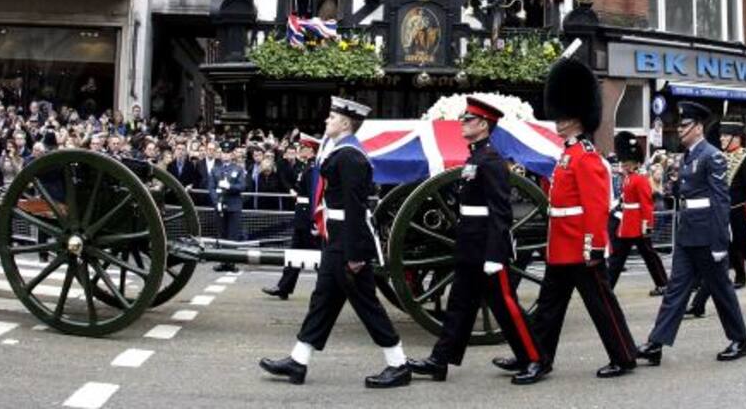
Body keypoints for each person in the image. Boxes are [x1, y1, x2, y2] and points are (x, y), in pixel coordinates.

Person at [493, 60, 636, 381]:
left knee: (601, 306)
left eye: (566, 116)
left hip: (581, 248)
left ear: (579, 119)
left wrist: (594, 246)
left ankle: (624, 356)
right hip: (561, 245)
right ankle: (537, 358)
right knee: (548, 308)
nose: (559, 122)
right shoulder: (568, 154)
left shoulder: (586, 157)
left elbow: (597, 207)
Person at [260, 97, 411, 389]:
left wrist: (356, 254)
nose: (326, 121)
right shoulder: (340, 153)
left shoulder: (351, 157)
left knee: (367, 305)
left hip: (347, 242)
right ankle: (298, 361)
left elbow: (355, 208)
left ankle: (398, 364)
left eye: (331, 117)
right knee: (323, 302)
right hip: (338, 238)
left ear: (345, 123)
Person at [408, 97, 544, 384]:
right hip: (470, 245)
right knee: (459, 305)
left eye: (468, 119)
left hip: (487, 247)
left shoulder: (491, 160)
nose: (462, 123)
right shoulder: (476, 157)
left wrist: (495, 255)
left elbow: (500, 212)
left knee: (506, 305)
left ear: (483, 125)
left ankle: (534, 359)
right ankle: (440, 360)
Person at [636, 101, 746, 366]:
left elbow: (721, 201)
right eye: (680, 124)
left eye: (685, 125)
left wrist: (721, 241)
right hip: (688, 233)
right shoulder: (687, 156)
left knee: (721, 289)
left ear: (698, 128)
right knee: (676, 289)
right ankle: (656, 343)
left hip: (708, 235)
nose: (680, 129)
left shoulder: (713, 156)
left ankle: (740, 340)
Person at [687, 117, 746, 316]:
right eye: (721, 135)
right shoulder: (721, 158)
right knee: (717, 263)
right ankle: (699, 304)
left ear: (736, 138)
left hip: (742, 217)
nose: (721, 139)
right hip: (724, 217)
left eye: (725, 135)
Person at [606, 132, 668, 296]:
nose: (624, 166)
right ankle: (607, 287)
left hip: (638, 225)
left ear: (634, 163)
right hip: (627, 224)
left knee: (649, 256)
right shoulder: (629, 178)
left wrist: (647, 226)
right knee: (617, 258)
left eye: (627, 163)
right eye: (624, 163)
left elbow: (646, 204)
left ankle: (663, 284)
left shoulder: (640, 179)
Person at [264, 134, 321, 300]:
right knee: (295, 253)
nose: (300, 150)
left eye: (303, 148)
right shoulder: (306, 167)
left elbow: (312, 195)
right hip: (302, 217)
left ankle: (333, 287)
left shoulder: (312, 169)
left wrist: (313, 220)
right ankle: (284, 287)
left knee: (318, 257)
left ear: (310, 150)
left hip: (307, 218)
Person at [209, 141, 246, 270]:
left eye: (228, 153)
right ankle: (222, 261)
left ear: (232, 155)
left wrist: (230, 186)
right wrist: (216, 202)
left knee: (232, 235)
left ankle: (231, 262)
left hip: (234, 205)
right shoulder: (215, 169)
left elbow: (242, 186)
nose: (225, 155)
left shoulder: (238, 169)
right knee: (222, 234)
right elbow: (211, 188)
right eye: (224, 153)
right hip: (220, 205)